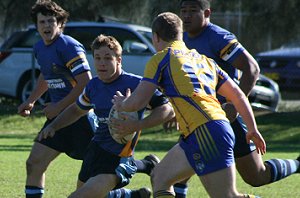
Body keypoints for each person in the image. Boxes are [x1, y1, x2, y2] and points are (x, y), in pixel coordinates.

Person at [112, 12, 266, 198]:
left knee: (227, 196)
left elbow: (137, 102)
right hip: (205, 130)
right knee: (160, 177)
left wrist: (123, 103)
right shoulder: (204, 61)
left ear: (155, 37)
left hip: (206, 131)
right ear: (180, 35)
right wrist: (252, 128)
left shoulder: (161, 59)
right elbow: (239, 96)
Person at [18, 1, 159, 197]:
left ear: (60, 24)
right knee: (34, 163)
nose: (47, 26)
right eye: (42, 22)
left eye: (51, 21)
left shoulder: (68, 46)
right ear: (36, 25)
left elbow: (85, 82)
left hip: (80, 120)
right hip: (62, 115)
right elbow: (46, 73)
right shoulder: (40, 47)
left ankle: (143, 170)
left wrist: (58, 106)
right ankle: (132, 192)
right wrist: (32, 100)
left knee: (105, 161)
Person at [172, 1, 300, 197]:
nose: (187, 16)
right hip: (198, 116)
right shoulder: (181, 40)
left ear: (207, 13)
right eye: (183, 11)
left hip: (224, 115)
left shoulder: (217, 37)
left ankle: (298, 164)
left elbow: (252, 68)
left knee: (257, 176)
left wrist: (233, 105)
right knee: (178, 172)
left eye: (192, 11)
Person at [39, 34, 175, 198]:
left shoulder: (137, 84)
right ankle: (134, 195)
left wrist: (136, 126)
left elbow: (167, 109)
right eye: (97, 58)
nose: (101, 63)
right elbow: (76, 109)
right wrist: (53, 126)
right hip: (95, 151)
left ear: (119, 60)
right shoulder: (93, 85)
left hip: (118, 158)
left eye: (107, 58)